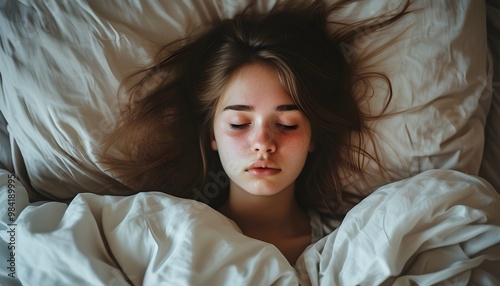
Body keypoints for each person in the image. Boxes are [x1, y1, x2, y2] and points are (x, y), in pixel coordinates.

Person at [101, 0, 410, 264]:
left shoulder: (352, 243)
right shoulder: (166, 235)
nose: (263, 143)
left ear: (313, 136)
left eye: (287, 125)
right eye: (239, 124)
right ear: (212, 134)